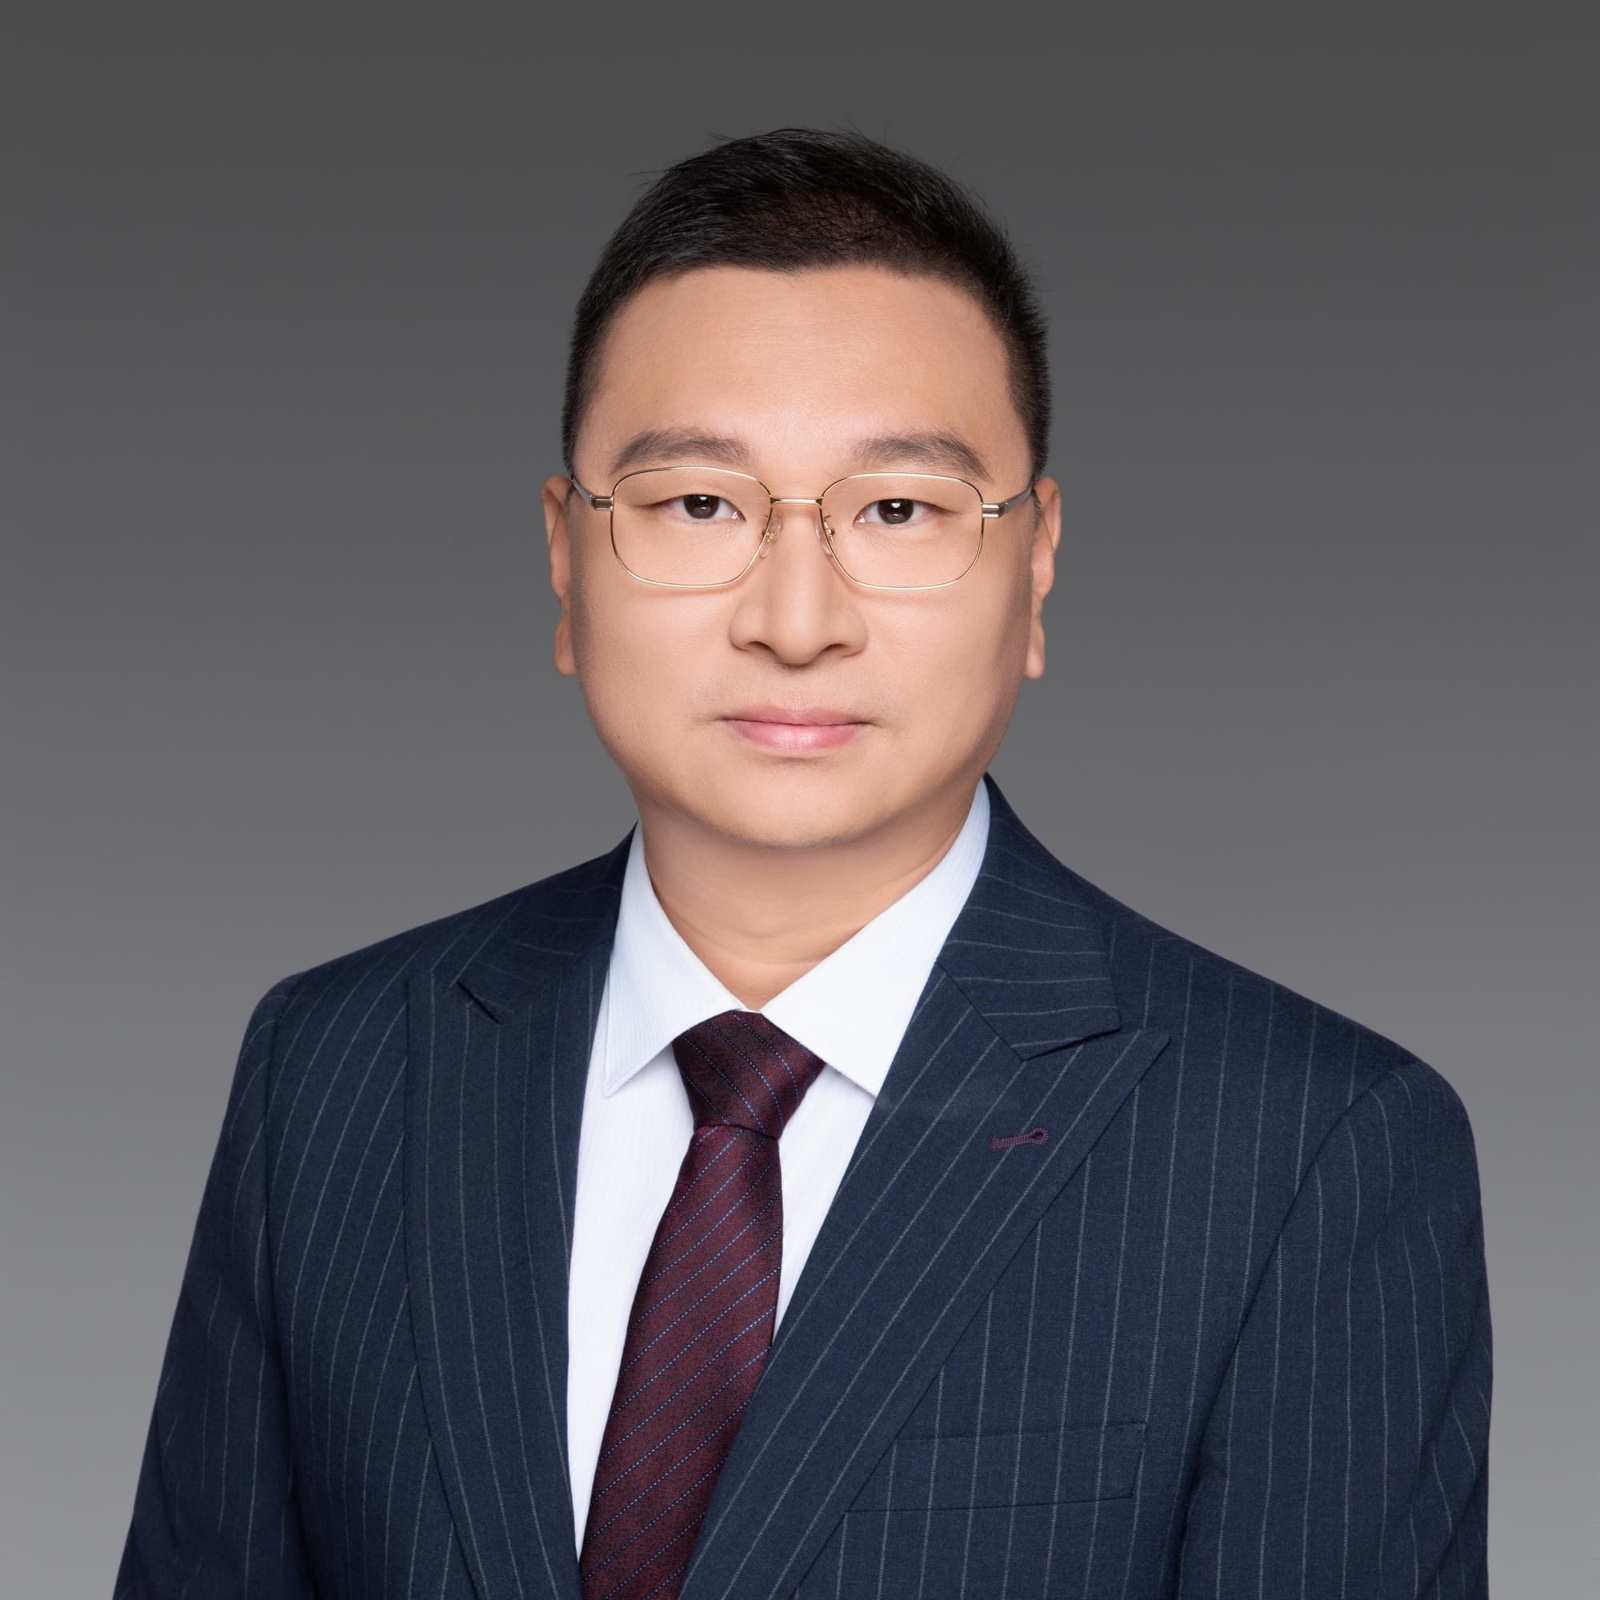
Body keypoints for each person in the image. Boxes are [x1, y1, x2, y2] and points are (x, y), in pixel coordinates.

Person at [116, 128, 1490, 1600]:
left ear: (1034, 568)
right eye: (697, 504)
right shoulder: (332, 1073)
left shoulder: (1309, 1153)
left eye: (898, 510)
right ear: (566, 562)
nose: (794, 618)